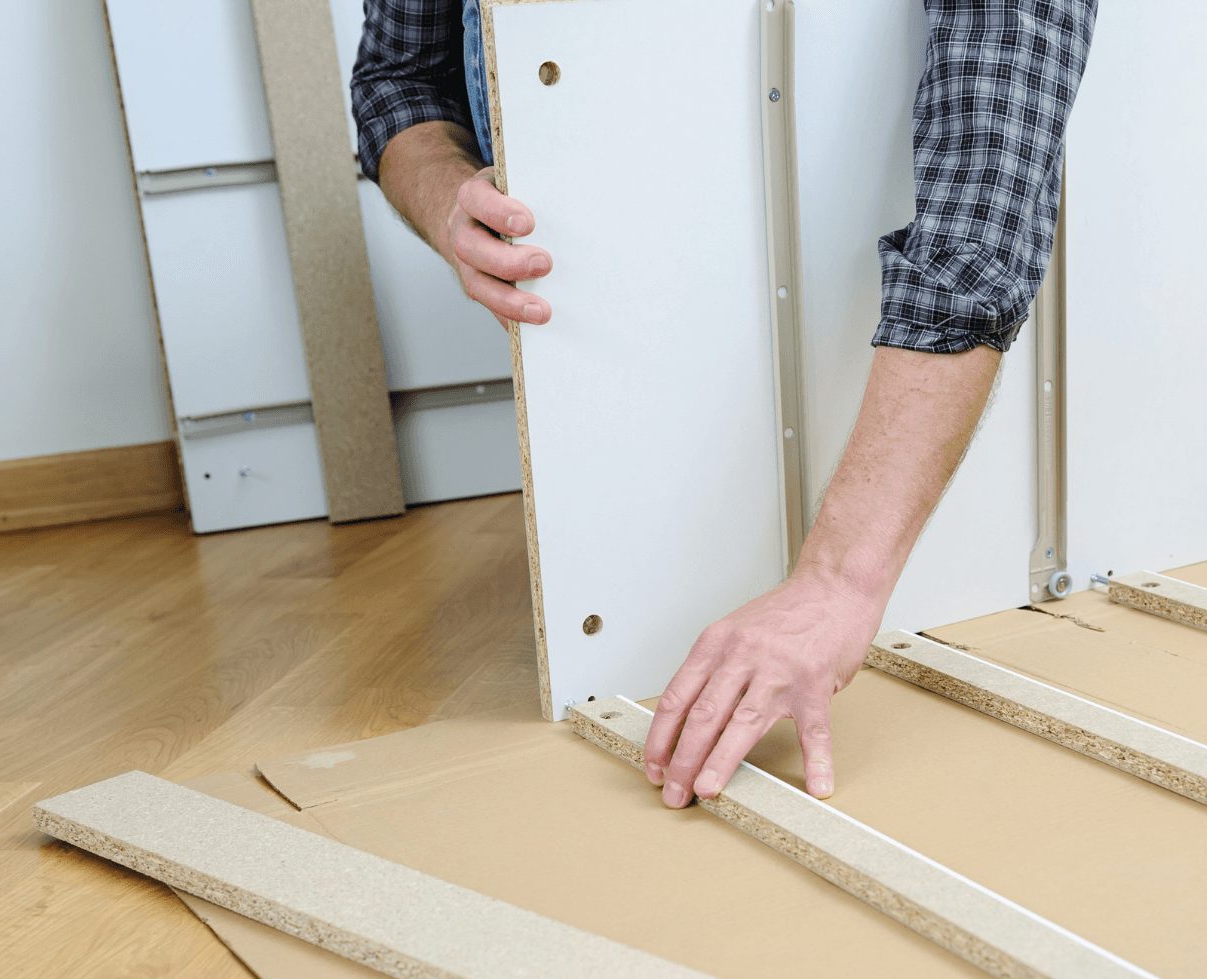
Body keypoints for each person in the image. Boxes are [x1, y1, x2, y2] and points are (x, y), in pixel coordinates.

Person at [352, 0, 1097, 808]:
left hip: (900, 520)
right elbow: (399, 82)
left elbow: (980, 217)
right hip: (624, 464)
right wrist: (447, 200)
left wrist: (837, 584)